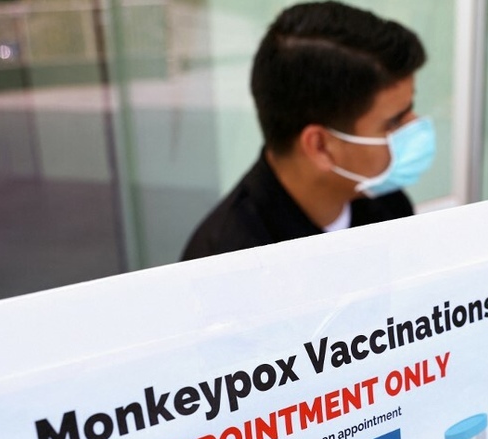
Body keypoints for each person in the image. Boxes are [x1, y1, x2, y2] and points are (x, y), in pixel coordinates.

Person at [182, 1, 434, 260]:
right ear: (320, 147)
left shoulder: (388, 206)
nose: (415, 125)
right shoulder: (226, 265)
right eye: (394, 122)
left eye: (410, 109)